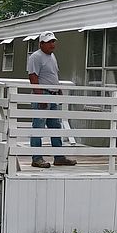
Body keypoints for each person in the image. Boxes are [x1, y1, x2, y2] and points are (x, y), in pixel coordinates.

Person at [27, 31, 77, 168]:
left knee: (56, 127)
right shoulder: (36, 57)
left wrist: (58, 89)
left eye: (53, 41)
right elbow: (33, 77)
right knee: (38, 127)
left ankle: (59, 157)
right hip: (43, 94)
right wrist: (40, 97)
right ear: (41, 43)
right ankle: (36, 158)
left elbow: (53, 75)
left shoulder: (52, 56)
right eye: (49, 42)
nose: (52, 44)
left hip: (53, 95)